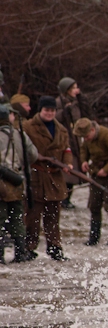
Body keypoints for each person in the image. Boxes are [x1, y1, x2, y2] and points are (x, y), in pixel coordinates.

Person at [22, 96, 72, 261]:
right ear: (40, 110)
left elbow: (66, 150)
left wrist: (67, 164)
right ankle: (29, 247)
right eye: (46, 110)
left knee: (53, 215)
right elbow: (22, 150)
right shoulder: (28, 127)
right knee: (32, 216)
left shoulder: (62, 129)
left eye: (52, 110)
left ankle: (54, 247)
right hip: (36, 175)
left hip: (55, 177)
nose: (50, 113)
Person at [73, 118, 108, 247]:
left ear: (92, 130)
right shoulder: (86, 138)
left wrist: (107, 169)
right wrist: (84, 161)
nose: (85, 139)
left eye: (86, 136)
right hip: (96, 172)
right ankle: (94, 237)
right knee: (94, 205)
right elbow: (84, 149)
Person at [0, 104, 38, 263]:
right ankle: (21, 252)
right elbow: (33, 155)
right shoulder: (20, 134)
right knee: (16, 217)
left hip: (1, 183)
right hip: (16, 180)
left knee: (1, 219)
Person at [56, 76, 91, 209]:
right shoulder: (59, 102)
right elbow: (56, 117)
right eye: (74, 88)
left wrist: (82, 98)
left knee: (75, 169)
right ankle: (63, 198)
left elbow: (86, 114)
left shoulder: (77, 102)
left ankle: (67, 198)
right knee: (67, 170)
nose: (76, 90)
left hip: (76, 138)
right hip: (65, 138)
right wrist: (65, 110)